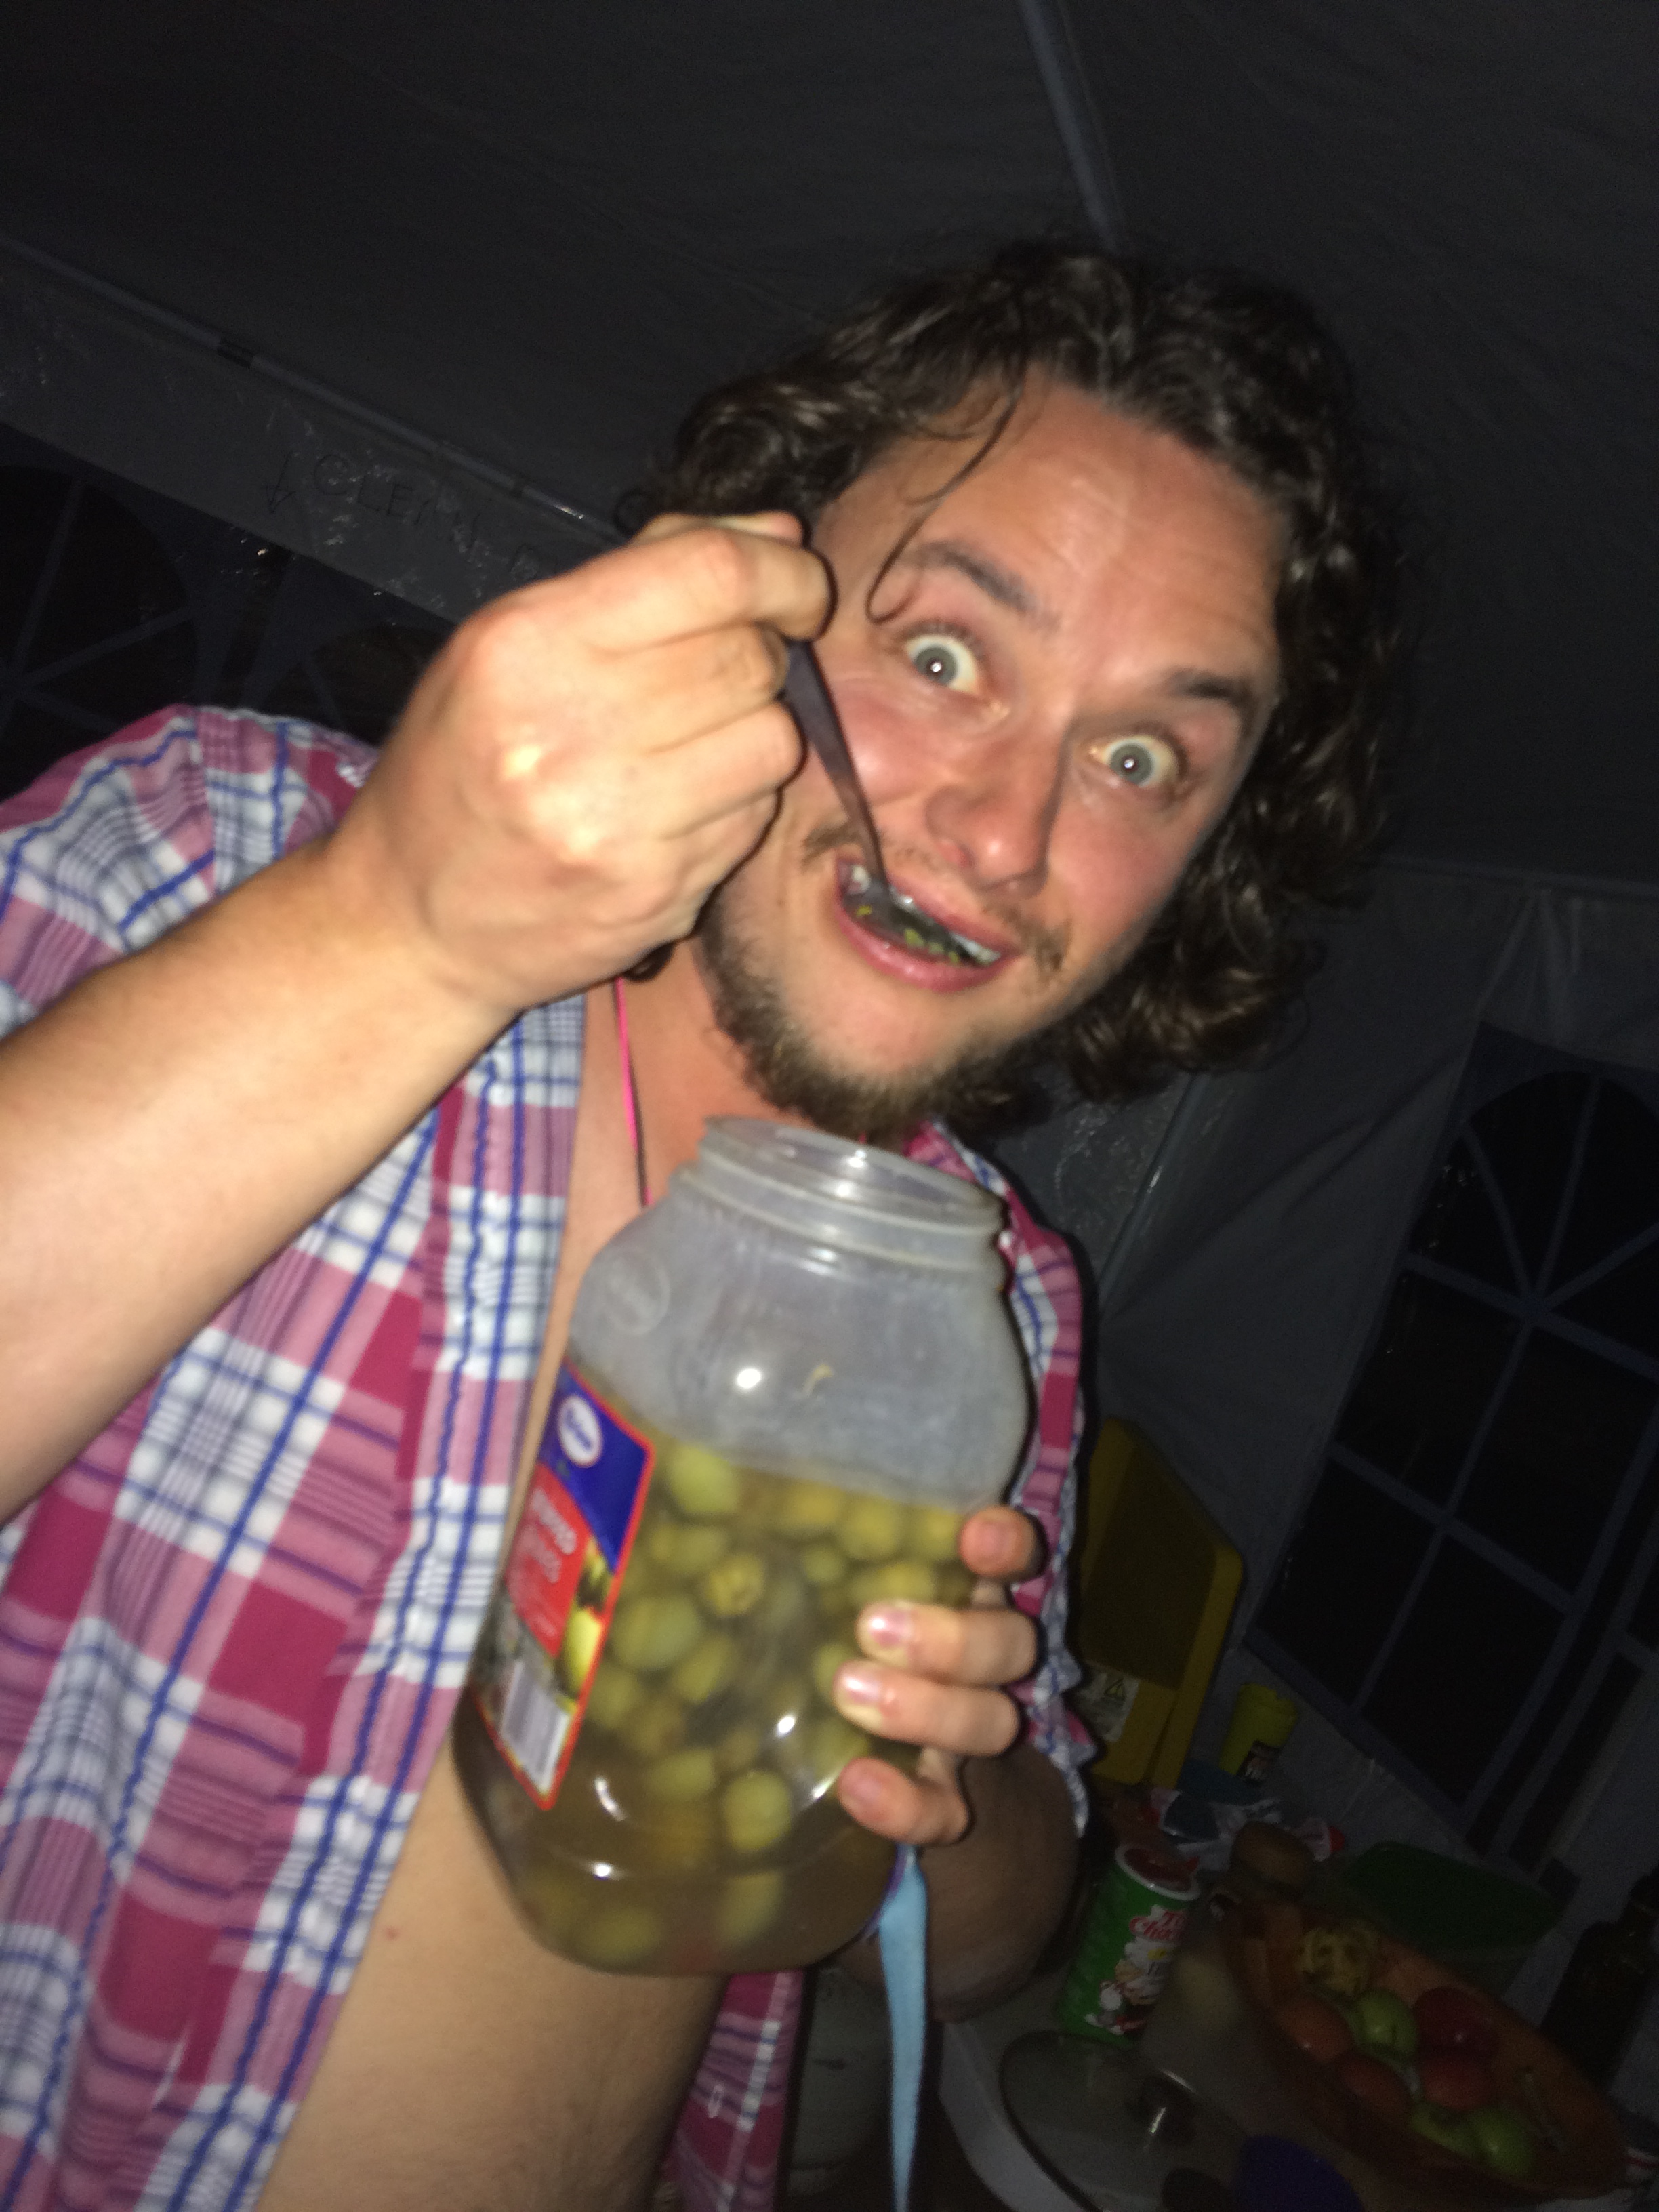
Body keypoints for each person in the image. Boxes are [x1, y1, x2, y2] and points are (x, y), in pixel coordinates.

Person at [0, 243, 1393, 2210]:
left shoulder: (997, 1298)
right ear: (743, 597)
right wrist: (397, 927)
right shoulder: (223, 853)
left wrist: (943, 1766)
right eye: (943, 656)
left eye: (1140, 758)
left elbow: (992, 1938)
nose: (1006, 834)